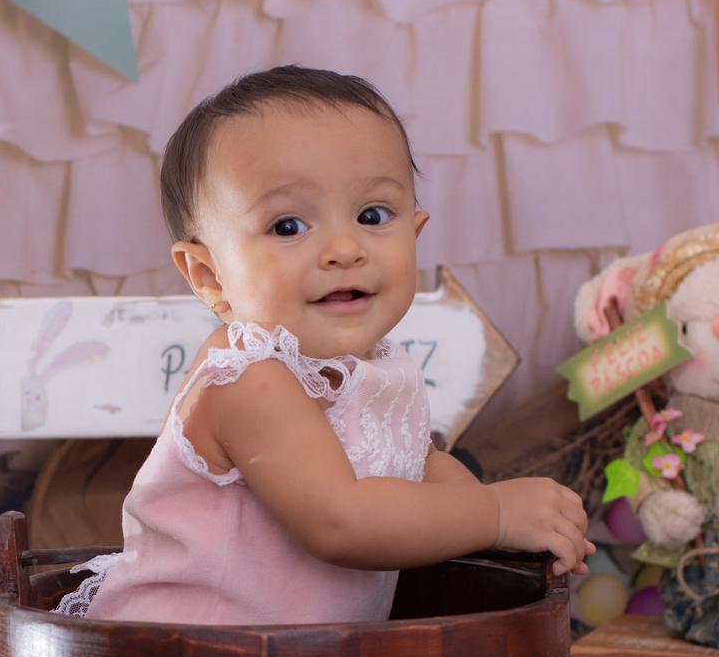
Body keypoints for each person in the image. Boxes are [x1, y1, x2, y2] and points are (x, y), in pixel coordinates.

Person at [59, 66, 591, 627]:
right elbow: (342, 521)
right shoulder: (248, 379)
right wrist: (495, 513)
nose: (344, 248)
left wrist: (516, 524)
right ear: (210, 276)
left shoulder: (376, 364)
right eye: (288, 226)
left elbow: (416, 471)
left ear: (415, 232)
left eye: (372, 216)